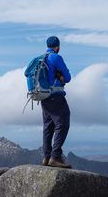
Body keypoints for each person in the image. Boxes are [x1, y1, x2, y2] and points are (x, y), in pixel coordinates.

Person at [41, 36, 72, 168]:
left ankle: (46, 157)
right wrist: (61, 76)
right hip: (56, 96)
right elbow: (68, 77)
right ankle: (55, 157)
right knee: (63, 123)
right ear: (57, 46)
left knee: (48, 127)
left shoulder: (42, 58)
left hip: (43, 97)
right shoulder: (56, 58)